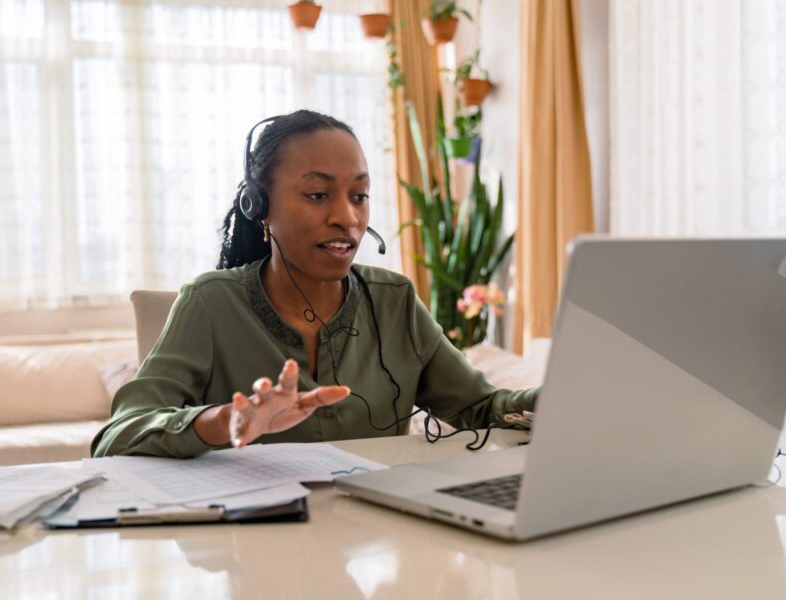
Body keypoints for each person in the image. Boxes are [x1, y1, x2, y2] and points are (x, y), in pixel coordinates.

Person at [91, 110, 538, 459]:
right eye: (318, 195)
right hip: (255, 547)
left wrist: (557, 398)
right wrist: (224, 420)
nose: (347, 217)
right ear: (260, 207)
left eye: (359, 196)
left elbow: (480, 406)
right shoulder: (210, 303)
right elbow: (118, 434)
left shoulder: (395, 300)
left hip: (377, 544)